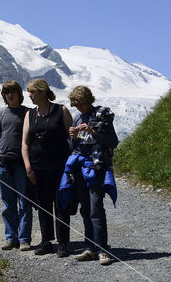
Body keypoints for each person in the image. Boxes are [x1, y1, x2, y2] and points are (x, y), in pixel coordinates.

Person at [66, 86, 119, 266]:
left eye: (81, 103)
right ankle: (90, 247)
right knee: (85, 208)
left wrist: (93, 131)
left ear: (89, 100)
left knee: (96, 207)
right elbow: (74, 148)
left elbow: (113, 141)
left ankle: (102, 249)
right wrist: (72, 137)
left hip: (96, 167)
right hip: (80, 167)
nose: (79, 107)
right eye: (76, 105)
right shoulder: (77, 117)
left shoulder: (101, 115)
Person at [21, 79, 73, 257]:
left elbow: (72, 138)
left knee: (61, 204)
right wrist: (28, 166)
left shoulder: (61, 111)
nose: (30, 96)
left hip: (60, 167)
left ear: (43, 92)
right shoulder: (30, 114)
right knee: (42, 205)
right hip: (38, 167)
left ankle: (63, 243)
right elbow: (25, 144)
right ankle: (46, 241)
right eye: (29, 92)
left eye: (33, 92)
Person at [0, 80, 33, 251]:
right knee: (8, 203)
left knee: (24, 202)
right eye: (7, 92)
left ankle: (24, 239)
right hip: (3, 162)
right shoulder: (1, 113)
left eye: (12, 91)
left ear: (19, 94)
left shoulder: (28, 113)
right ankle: (10, 237)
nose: (10, 94)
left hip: (21, 163)